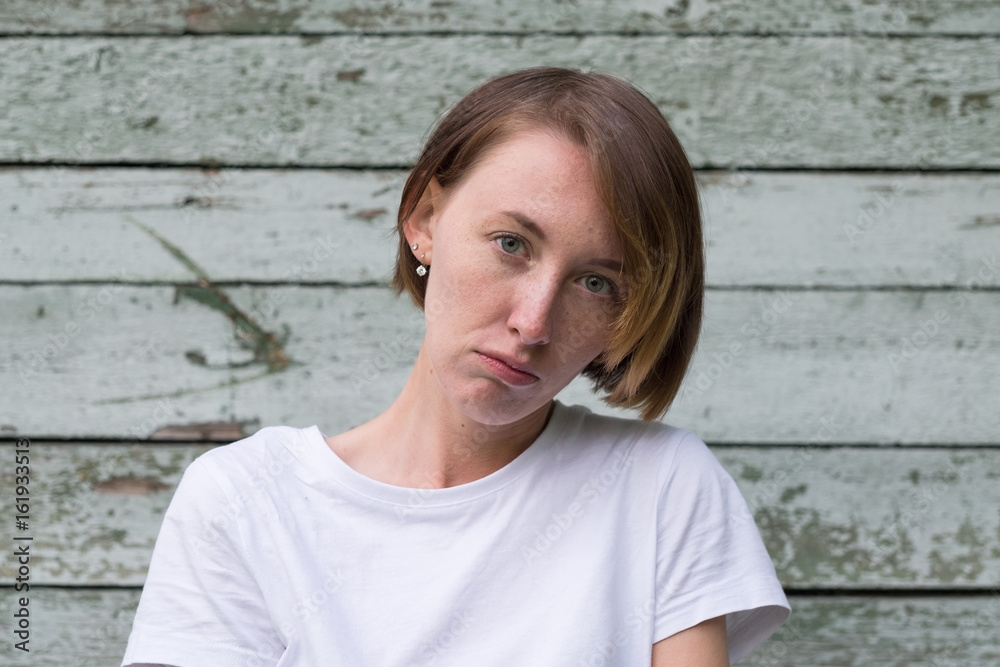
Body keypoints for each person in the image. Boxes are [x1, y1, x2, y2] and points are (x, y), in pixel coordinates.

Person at [122, 66, 789, 666]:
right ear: (424, 219)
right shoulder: (245, 503)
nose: (533, 323)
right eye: (511, 244)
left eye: (596, 284)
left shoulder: (661, 489)